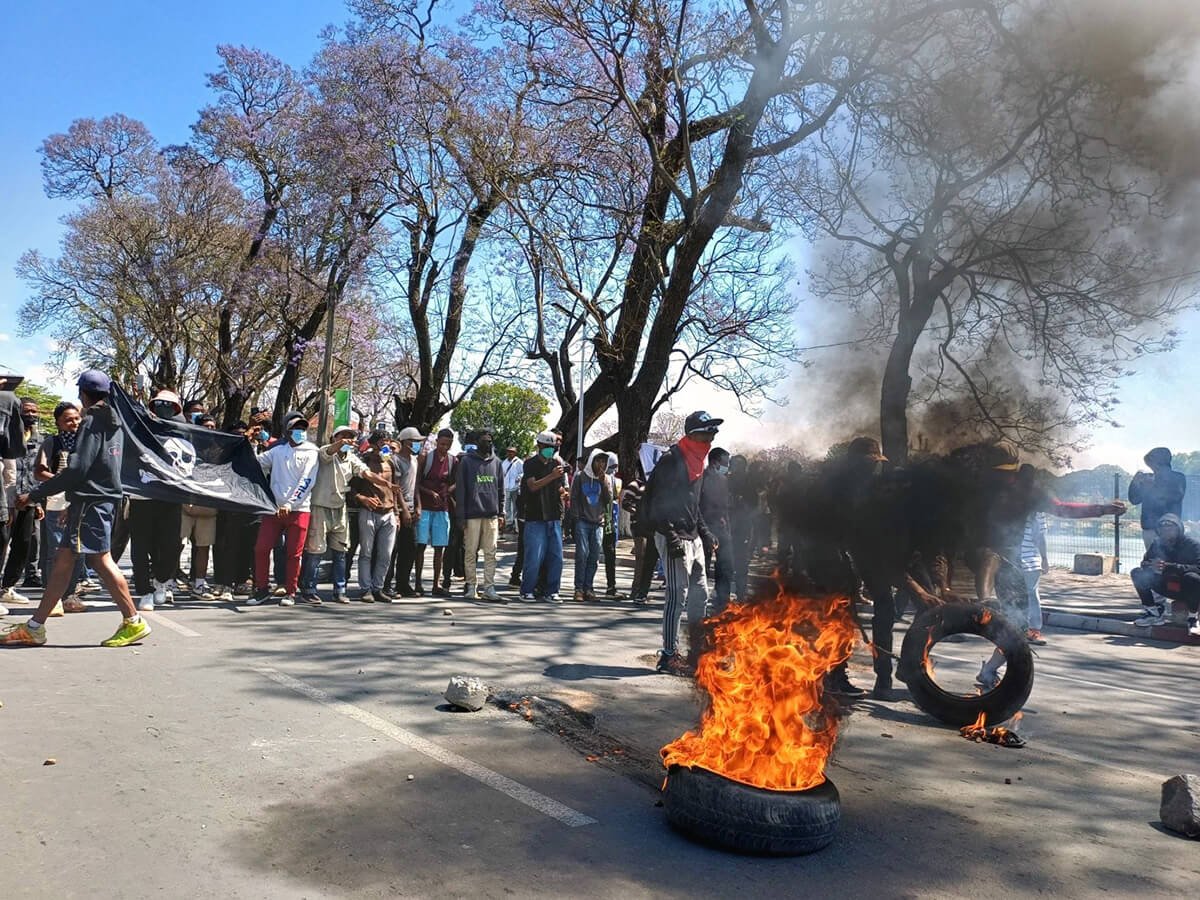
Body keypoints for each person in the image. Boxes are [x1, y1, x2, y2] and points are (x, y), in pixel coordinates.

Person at [2, 370, 150, 647]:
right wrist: (75, 501)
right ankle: (35, 626)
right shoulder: (116, 420)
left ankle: (133, 620)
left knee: (99, 559)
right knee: (64, 561)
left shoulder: (92, 419)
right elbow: (102, 466)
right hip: (93, 500)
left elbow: (78, 469)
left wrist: (34, 494)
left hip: (92, 500)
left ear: (82, 393)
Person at [642, 411, 721, 675]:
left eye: (713, 434)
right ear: (692, 435)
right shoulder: (672, 460)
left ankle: (696, 652)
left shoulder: (697, 463)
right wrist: (672, 536)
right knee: (677, 596)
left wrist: (706, 534)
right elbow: (657, 505)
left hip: (694, 538)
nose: (711, 438)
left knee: (701, 595)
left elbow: (694, 506)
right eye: (707, 433)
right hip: (671, 535)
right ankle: (667, 656)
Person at [250, 412, 319, 607]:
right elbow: (256, 464)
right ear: (287, 431)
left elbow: (307, 480)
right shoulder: (278, 451)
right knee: (261, 548)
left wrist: (290, 504)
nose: (300, 432)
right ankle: (262, 588)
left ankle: (290, 591)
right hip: (274, 510)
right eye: (296, 429)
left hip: (298, 510)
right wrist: (253, 445)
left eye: (303, 429)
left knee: (293, 553)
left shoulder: (312, 452)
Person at [299, 426, 373, 605]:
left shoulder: (351, 458)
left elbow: (366, 473)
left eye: (350, 437)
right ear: (334, 438)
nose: (347, 440)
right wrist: (340, 444)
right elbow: (330, 451)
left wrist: (386, 483)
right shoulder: (325, 451)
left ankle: (340, 590)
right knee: (316, 551)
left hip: (340, 508)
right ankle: (308, 589)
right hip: (319, 507)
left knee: (341, 551)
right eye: (343, 436)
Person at [130, 389, 187, 611]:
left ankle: (161, 582)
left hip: (170, 497)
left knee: (171, 545)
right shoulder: (139, 429)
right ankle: (144, 591)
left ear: (176, 409)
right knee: (141, 546)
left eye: (169, 405)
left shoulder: (182, 433)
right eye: (160, 403)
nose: (164, 407)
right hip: (142, 496)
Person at [33, 402, 87, 612]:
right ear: (58, 423)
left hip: (81, 500)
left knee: (79, 549)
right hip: (57, 500)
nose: (73, 423)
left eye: (76, 418)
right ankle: (53, 597)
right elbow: (39, 472)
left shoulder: (86, 442)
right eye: (68, 419)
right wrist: (61, 480)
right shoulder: (51, 442)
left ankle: (70, 595)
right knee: (55, 549)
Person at [0, 395, 44, 607]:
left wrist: (38, 502)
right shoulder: (8, 434)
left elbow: (37, 472)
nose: (31, 415)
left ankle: (8, 587)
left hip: (28, 500)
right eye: (26, 411)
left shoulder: (39, 439)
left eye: (34, 412)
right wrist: (7, 504)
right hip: (7, 500)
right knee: (2, 544)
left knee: (23, 545)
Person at [456, 426, 505, 601]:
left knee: (491, 552)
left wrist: (501, 513)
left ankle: (489, 588)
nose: (488, 443)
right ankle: (471, 586)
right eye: (484, 440)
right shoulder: (467, 462)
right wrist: (460, 516)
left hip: (491, 514)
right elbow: (461, 490)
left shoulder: (497, 462)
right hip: (472, 514)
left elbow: (501, 490)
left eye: (490, 440)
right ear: (476, 442)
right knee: (470, 552)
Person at [1129, 514, 1200, 635]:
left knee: (1192, 577)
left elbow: (1198, 567)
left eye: (1170, 529)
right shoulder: (1157, 544)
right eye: (1163, 530)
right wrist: (1153, 566)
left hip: (1189, 589)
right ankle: (1153, 612)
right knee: (1138, 573)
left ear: (1179, 530)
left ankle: (1193, 618)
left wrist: (1170, 566)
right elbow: (1144, 563)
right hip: (1167, 586)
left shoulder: (1192, 545)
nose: (1166, 532)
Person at [211, 419, 258, 601]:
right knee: (226, 545)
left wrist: (254, 442)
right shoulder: (223, 453)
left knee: (247, 545)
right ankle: (224, 583)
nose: (241, 437)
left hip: (251, 505)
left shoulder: (255, 450)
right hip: (228, 505)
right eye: (237, 434)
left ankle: (241, 580)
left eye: (243, 433)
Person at [520, 431, 566, 603]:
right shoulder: (530, 464)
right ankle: (527, 590)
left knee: (556, 556)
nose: (550, 450)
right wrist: (552, 476)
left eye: (552, 447)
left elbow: (559, 486)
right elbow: (532, 486)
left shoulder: (556, 463)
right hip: (535, 516)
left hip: (553, 516)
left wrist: (563, 491)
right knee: (534, 557)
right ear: (539, 445)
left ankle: (552, 591)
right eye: (547, 447)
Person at [352, 429, 398, 603]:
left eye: (388, 442)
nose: (386, 446)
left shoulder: (390, 463)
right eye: (382, 442)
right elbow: (352, 488)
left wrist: (397, 513)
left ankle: (378, 588)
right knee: (366, 552)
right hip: (368, 512)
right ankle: (365, 589)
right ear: (372, 444)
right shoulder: (363, 462)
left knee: (385, 554)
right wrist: (362, 498)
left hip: (389, 512)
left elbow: (395, 488)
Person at [416, 428, 455, 598]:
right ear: (437, 441)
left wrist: (448, 491)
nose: (444, 447)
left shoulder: (454, 461)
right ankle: (417, 582)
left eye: (448, 444)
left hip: (442, 509)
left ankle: (436, 584)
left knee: (440, 547)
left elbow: (456, 482)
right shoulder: (426, 458)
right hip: (425, 507)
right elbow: (416, 483)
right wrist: (429, 493)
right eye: (442, 443)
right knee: (421, 546)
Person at [385, 427, 424, 598]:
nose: (417, 444)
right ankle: (387, 585)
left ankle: (403, 583)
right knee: (393, 549)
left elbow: (415, 486)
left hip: (412, 508)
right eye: (414, 442)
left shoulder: (414, 461)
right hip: (399, 510)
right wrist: (403, 510)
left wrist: (418, 506)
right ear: (406, 442)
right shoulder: (395, 460)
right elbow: (397, 488)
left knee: (411, 548)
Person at [569, 449, 612, 602]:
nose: (601, 464)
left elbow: (608, 500)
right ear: (592, 461)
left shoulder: (606, 478)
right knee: (582, 555)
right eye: (598, 461)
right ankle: (578, 589)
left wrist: (603, 482)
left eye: (604, 462)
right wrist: (575, 517)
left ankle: (589, 588)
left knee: (594, 557)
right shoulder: (580, 476)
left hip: (598, 522)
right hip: (582, 521)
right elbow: (573, 498)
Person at [1129, 448, 1187, 549]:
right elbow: (1134, 499)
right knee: (1152, 561)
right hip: (1149, 528)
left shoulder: (1178, 478)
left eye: (1153, 463)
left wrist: (1154, 485)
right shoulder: (1149, 479)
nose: (1152, 467)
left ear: (1161, 462)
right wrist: (1135, 483)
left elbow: (1175, 497)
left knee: (1171, 561)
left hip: (1170, 528)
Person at [700, 446, 733, 614]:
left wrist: (727, 525)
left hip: (721, 528)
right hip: (705, 527)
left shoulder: (724, 480)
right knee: (703, 566)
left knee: (725, 564)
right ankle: (700, 600)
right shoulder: (702, 479)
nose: (727, 467)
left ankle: (722, 599)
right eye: (725, 463)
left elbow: (725, 506)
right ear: (714, 462)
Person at [502, 446, 522, 531]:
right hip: (506, 487)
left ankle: (515, 524)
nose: (510, 453)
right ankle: (508, 523)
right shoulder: (504, 463)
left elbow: (523, 473)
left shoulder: (519, 462)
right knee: (506, 507)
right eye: (508, 451)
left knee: (515, 507)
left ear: (515, 453)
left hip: (515, 487)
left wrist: (519, 477)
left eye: (512, 452)